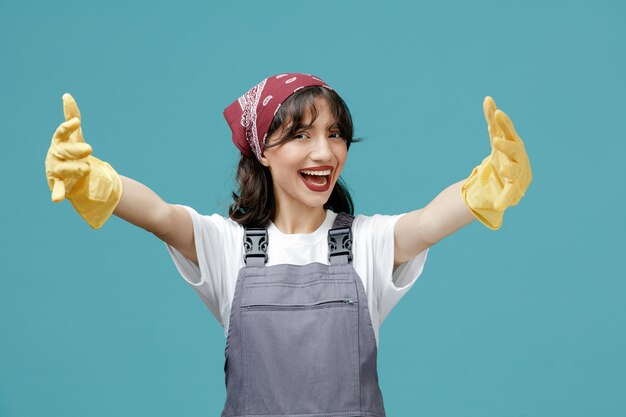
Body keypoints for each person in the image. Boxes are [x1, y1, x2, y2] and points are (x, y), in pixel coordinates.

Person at [44, 73, 532, 417]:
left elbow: (429, 220)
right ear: (262, 149)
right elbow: (159, 214)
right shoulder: (228, 246)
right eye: (300, 134)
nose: (324, 152)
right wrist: (94, 180)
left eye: (335, 134)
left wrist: (484, 186)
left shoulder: (367, 243)